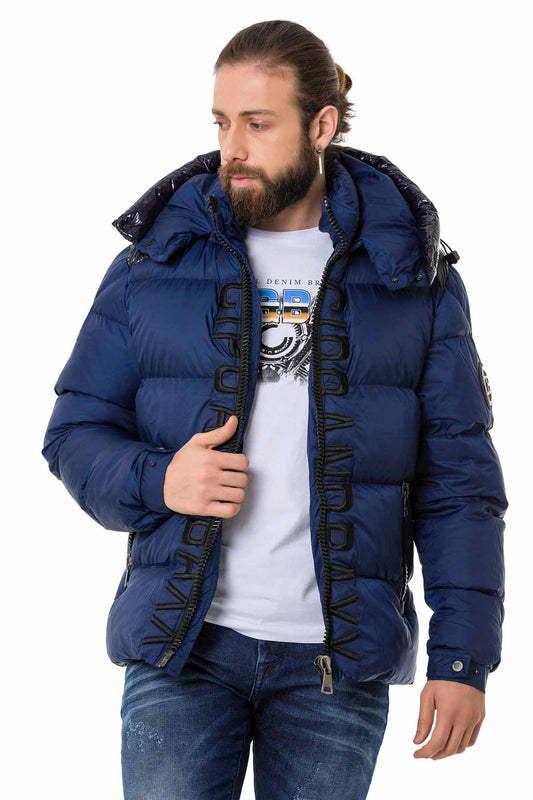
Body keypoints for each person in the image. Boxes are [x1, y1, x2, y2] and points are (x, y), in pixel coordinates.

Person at [41, 19, 508, 800]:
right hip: (182, 647)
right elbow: (74, 432)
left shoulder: (409, 279)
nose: (234, 148)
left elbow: (458, 483)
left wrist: (463, 659)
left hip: (335, 663)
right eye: (222, 123)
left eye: (258, 124)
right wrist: (160, 480)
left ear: (319, 126)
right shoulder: (154, 264)